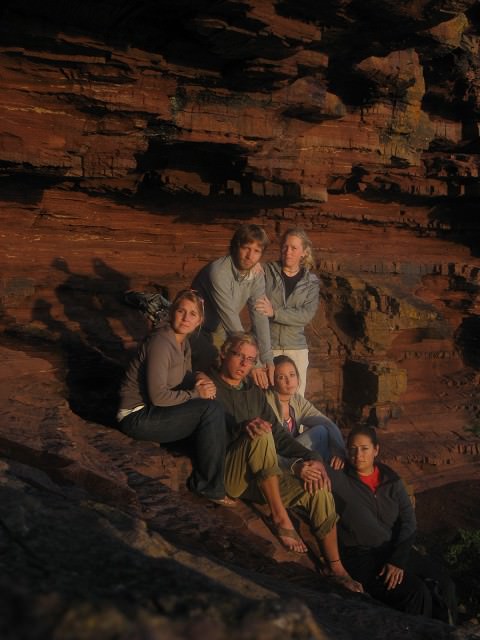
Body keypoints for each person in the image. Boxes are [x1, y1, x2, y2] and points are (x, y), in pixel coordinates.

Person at [210, 331, 363, 593]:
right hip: (230, 474)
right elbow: (214, 434)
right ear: (224, 354)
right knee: (261, 432)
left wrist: (312, 458)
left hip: (259, 476)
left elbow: (281, 437)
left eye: (250, 359)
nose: (244, 364)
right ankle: (280, 517)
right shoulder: (211, 387)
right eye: (238, 356)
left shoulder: (253, 392)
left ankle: (335, 567)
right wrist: (245, 431)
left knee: (318, 486)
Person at [117, 289, 234, 506]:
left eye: (192, 314)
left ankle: (228, 475)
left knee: (220, 412)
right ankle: (209, 487)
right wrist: (196, 393)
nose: (186, 318)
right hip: (136, 416)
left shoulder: (183, 343)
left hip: (156, 412)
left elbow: (182, 376)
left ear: (199, 321)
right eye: (181, 311)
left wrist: (198, 377)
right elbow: (158, 396)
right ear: (172, 312)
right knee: (210, 410)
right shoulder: (161, 343)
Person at [328, 425, 457, 621]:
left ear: (376, 450)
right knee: (416, 593)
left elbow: (409, 522)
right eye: (352, 449)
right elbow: (318, 441)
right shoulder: (338, 477)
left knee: (446, 586)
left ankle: (448, 631)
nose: (358, 455)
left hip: (393, 550)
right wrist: (332, 454)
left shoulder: (390, 479)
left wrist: (397, 560)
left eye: (364, 449)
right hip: (362, 556)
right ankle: (417, 632)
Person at [191, 223, 274, 389]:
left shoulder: (256, 274)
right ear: (236, 246)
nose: (250, 256)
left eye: (256, 251)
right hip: (198, 331)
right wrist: (253, 363)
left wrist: (267, 359)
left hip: (224, 334)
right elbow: (231, 319)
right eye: (246, 248)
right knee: (219, 377)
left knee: (249, 377)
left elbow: (260, 315)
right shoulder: (218, 272)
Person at [255, 228, 319, 396]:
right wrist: (253, 267)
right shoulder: (266, 271)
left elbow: (305, 315)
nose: (288, 252)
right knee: (267, 397)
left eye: (294, 248)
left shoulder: (311, 282)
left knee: (296, 399)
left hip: (296, 349)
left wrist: (274, 312)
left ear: (304, 252)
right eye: (285, 246)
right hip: (268, 347)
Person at [265, 355, 346, 463]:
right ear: (272, 380)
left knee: (324, 431)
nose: (289, 381)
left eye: (292, 375)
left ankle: (333, 466)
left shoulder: (296, 400)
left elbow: (325, 422)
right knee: (320, 432)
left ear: (297, 377)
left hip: (294, 453)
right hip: (278, 458)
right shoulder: (267, 401)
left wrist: (339, 451)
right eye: (281, 377)